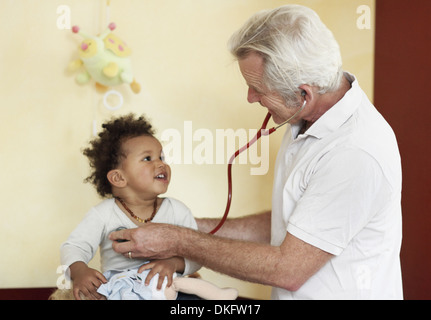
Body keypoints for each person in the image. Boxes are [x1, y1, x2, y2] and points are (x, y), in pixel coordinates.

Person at [110, 5, 403, 299]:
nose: (250, 98)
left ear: (304, 95)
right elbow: (295, 222)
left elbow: (287, 269)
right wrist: (185, 223)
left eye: (258, 89)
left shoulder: (355, 153)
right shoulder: (307, 118)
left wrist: (179, 240)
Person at [60, 114, 200, 300]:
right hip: (122, 292)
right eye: (147, 158)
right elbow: (74, 246)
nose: (160, 163)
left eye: (161, 156)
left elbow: (197, 254)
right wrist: (79, 271)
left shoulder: (177, 210)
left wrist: (173, 264)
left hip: (166, 290)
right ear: (119, 178)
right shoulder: (104, 214)